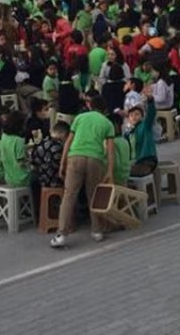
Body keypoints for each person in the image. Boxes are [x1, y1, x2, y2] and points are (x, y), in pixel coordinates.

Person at [50, 96, 115, 249]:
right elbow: (110, 150)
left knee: (69, 195)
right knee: (93, 195)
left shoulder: (79, 118)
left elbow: (69, 141)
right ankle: (96, 231)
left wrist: (63, 163)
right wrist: (110, 171)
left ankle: (61, 235)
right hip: (95, 159)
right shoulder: (108, 123)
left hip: (75, 156)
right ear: (104, 109)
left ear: (90, 105)